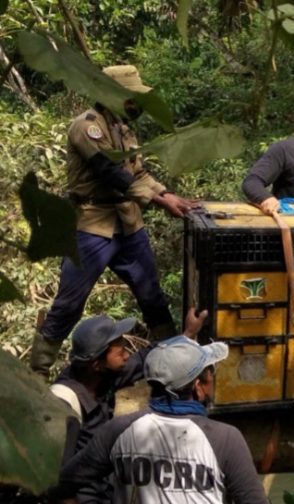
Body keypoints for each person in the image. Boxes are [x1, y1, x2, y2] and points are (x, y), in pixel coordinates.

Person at [29, 65, 200, 378]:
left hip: (128, 224)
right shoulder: (86, 127)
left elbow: (138, 173)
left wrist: (167, 194)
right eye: (131, 98)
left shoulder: (125, 130)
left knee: (152, 297)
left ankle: (178, 366)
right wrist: (160, 201)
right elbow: (111, 173)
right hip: (92, 226)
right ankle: (38, 375)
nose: (137, 105)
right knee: (69, 304)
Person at [52, 336, 269, 504]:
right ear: (198, 387)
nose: (212, 378)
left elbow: (61, 485)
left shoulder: (118, 431)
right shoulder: (226, 439)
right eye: (210, 372)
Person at [48, 310, 206, 503]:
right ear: (96, 364)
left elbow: (142, 359)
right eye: (121, 352)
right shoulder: (64, 402)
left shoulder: (102, 376)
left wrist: (187, 334)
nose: (127, 355)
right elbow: (58, 481)